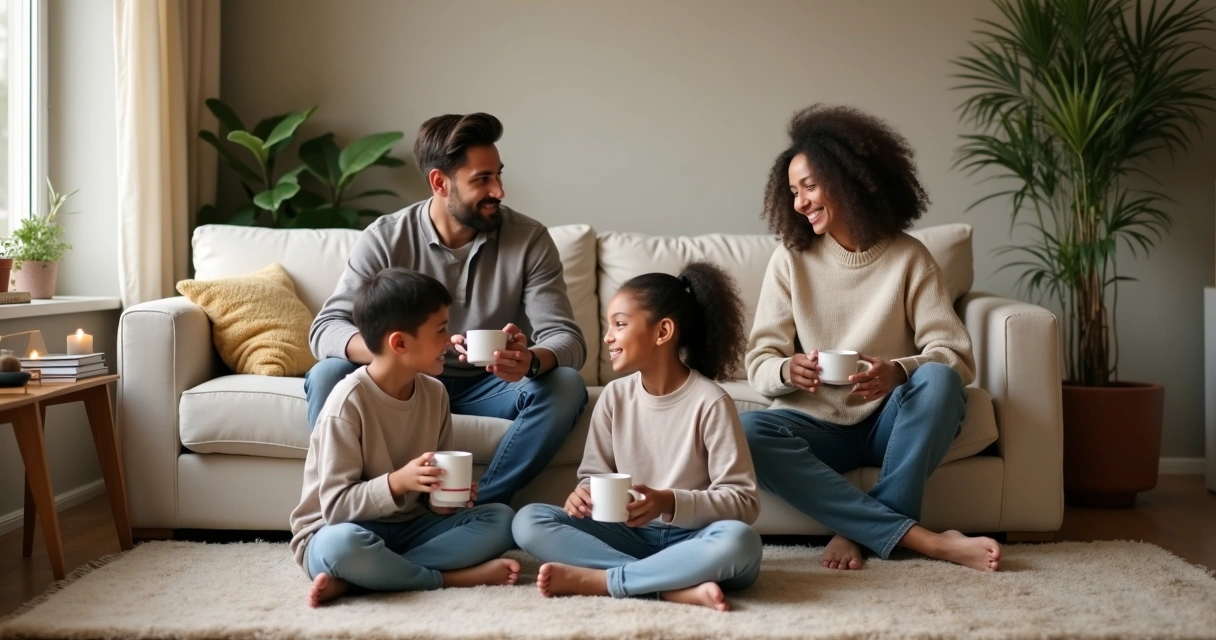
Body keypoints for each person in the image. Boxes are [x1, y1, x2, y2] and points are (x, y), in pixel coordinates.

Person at [741, 104, 1001, 572]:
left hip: (892, 423)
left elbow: (956, 356)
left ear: (847, 179)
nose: (799, 203)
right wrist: (787, 369)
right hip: (818, 425)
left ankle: (856, 529)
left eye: (809, 187)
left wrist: (898, 372)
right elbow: (760, 359)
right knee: (746, 433)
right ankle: (926, 540)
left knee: (940, 381)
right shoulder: (790, 260)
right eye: (793, 192)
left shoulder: (909, 257)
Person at [306, 112, 589, 506]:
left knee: (566, 386)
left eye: (498, 175)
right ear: (440, 182)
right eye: (482, 179)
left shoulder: (529, 240)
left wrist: (529, 361)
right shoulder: (386, 238)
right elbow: (326, 328)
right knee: (328, 374)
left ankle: (479, 505)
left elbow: (567, 339)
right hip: (403, 382)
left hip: (488, 386)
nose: (499, 191)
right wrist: (398, 356)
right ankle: (354, 506)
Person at [512, 262, 763, 612]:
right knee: (528, 521)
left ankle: (606, 580)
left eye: (619, 324)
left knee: (741, 542)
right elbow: (593, 477)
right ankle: (670, 586)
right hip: (627, 536)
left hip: (693, 537)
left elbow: (743, 502)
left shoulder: (711, 402)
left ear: (663, 332)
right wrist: (583, 496)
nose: (607, 337)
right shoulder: (614, 397)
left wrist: (668, 502)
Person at [290, 267, 520, 607]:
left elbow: (431, 498)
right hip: (339, 529)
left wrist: (443, 499)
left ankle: (364, 577)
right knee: (343, 547)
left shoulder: (435, 394)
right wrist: (399, 481)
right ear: (399, 342)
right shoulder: (347, 401)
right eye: (440, 330)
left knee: (501, 520)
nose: (449, 340)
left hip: (409, 529)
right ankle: (445, 578)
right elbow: (336, 507)